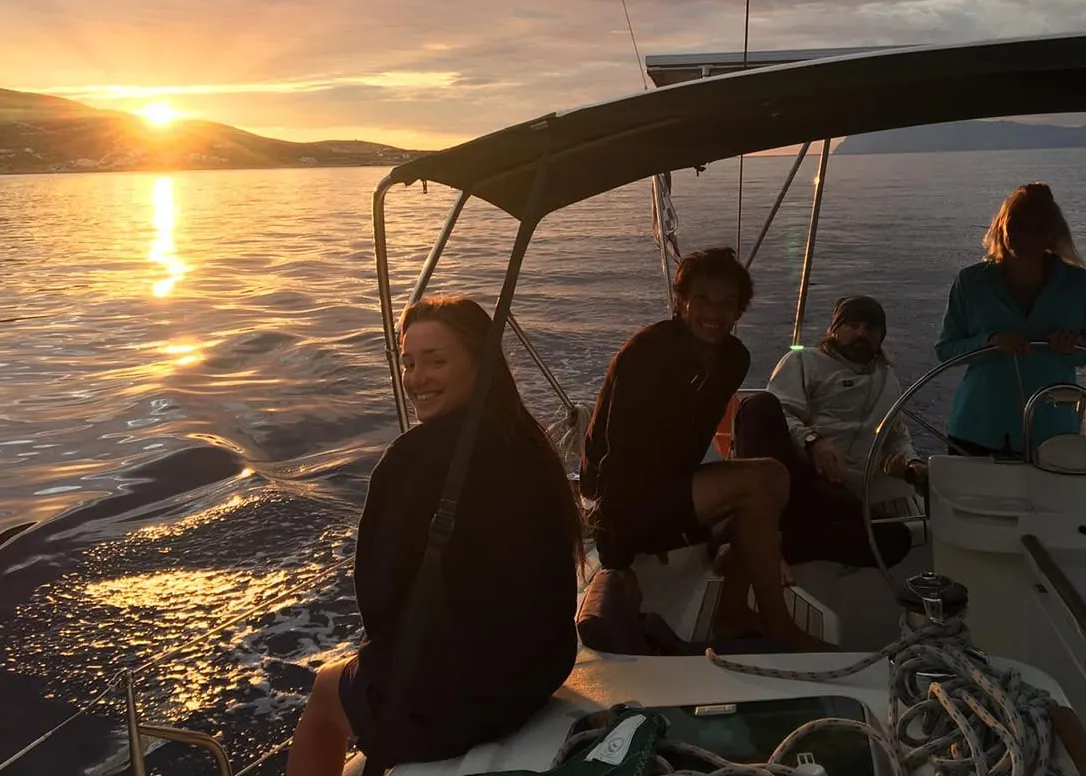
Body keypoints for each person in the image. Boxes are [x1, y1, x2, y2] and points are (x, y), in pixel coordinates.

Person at [287, 296, 582, 776]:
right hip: (540, 670)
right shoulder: (528, 441)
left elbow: (379, 600)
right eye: (408, 363)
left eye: (436, 361)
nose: (416, 378)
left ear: (480, 364)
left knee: (325, 691)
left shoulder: (411, 459)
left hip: (462, 702)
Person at [580, 247, 828, 652]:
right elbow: (615, 455)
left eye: (726, 302)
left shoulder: (733, 359)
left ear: (739, 309)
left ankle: (732, 610)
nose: (714, 312)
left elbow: (691, 440)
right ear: (682, 302)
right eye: (702, 299)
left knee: (773, 477)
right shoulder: (646, 354)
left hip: (670, 483)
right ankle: (778, 624)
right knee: (758, 483)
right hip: (625, 502)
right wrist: (614, 557)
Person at [730, 295, 922, 570]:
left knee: (896, 540)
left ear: (881, 336)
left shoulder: (888, 379)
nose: (861, 333)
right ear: (834, 329)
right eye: (852, 325)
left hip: (842, 495)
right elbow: (781, 413)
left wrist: (911, 463)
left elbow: (897, 434)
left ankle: (770, 543)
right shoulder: (804, 361)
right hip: (795, 476)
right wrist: (813, 441)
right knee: (758, 405)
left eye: (871, 328)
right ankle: (766, 531)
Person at [936, 182, 1086, 455]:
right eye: (1017, 225)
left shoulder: (1079, 285)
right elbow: (946, 350)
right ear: (1001, 226)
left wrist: (1076, 345)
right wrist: (990, 342)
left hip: (1052, 431)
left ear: (1052, 235)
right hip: (978, 428)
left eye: (1038, 228)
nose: (1026, 235)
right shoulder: (970, 283)